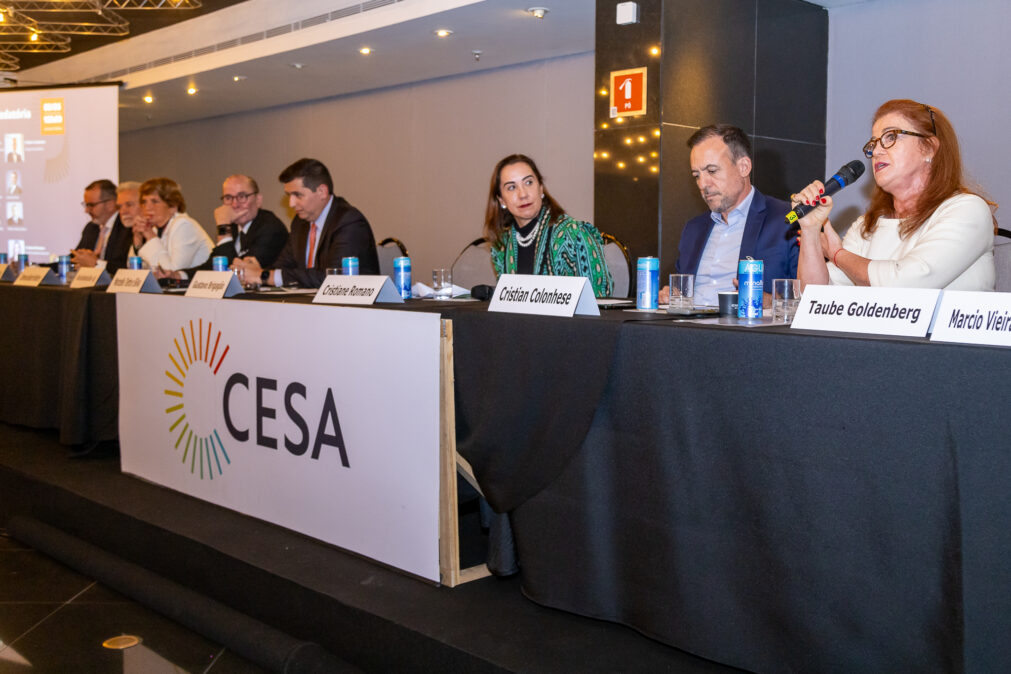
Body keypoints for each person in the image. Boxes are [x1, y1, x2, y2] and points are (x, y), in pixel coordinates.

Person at [795, 99, 995, 290]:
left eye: (890, 137)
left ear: (929, 148)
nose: (876, 151)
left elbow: (905, 284)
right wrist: (810, 230)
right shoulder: (867, 225)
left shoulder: (968, 210)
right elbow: (813, 296)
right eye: (873, 143)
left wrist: (837, 254)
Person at [660, 124, 797, 306]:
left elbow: (810, 298)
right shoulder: (694, 229)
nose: (703, 184)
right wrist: (671, 295)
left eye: (712, 171)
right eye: (696, 175)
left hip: (745, 324)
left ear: (744, 167)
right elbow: (681, 289)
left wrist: (770, 302)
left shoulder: (787, 219)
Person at [235, 158, 379, 288]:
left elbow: (334, 279)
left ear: (322, 191)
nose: (291, 203)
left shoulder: (349, 221)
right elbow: (283, 266)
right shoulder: (300, 223)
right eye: (289, 196)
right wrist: (257, 270)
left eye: (297, 195)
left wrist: (265, 276)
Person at [485, 154, 612, 298]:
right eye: (512, 187)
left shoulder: (574, 234)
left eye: (528, 183)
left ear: (541, 188)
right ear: (501, 200)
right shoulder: (501, 246)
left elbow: (599, 298)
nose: (523, 194)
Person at [132, 177, 213, 273]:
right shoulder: (155, 229)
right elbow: (135, 272)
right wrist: (138, 240)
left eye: (154, 201)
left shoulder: (184, 225)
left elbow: (172, 272)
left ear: (172, 206)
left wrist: (150, 237)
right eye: (144, 202)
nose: (147, 207)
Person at [71, 180, 136, 274]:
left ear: (110, 204)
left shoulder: (127, 227)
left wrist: (96, 264)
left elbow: (126, 268)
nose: (86, 210)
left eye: (91, 205)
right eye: (86, 205)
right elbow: (75, 258)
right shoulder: (91, 228)